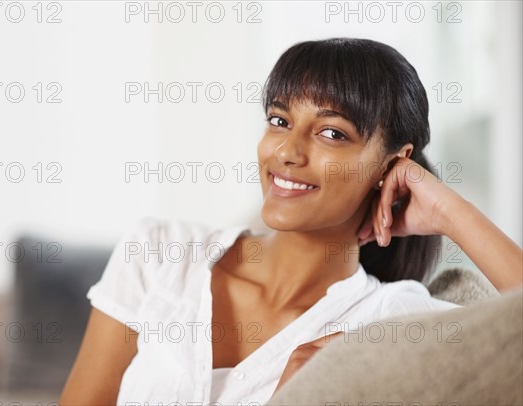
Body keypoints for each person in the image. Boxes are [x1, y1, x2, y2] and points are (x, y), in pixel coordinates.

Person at [59, 38, 523, 405]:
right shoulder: (161, 252)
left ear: (392, 163)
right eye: (279, 120)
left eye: (331, 132)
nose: (287, 151)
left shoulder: (391, 319)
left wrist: (448, 211)